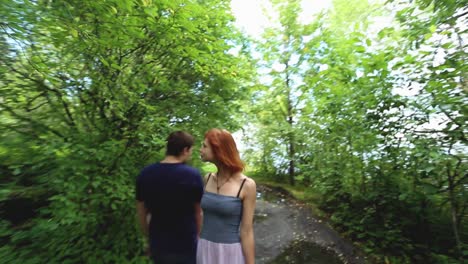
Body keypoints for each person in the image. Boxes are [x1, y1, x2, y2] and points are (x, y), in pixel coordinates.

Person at [136, 131, 203, 264]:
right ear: (185, 150)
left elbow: (141, 212)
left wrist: (148, 237)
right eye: (190, 151)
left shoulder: (145, 174)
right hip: (186, 244)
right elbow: (198, 212)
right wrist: (199, 237)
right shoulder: (192, 175)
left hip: (158, 244)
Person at [197, 128, 256, 264]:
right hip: (205, 249)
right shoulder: (208, 179)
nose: (201, 150)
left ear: (218, 150)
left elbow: (246, 231)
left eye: (204, 146)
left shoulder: (246, 185)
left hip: (229, 253)